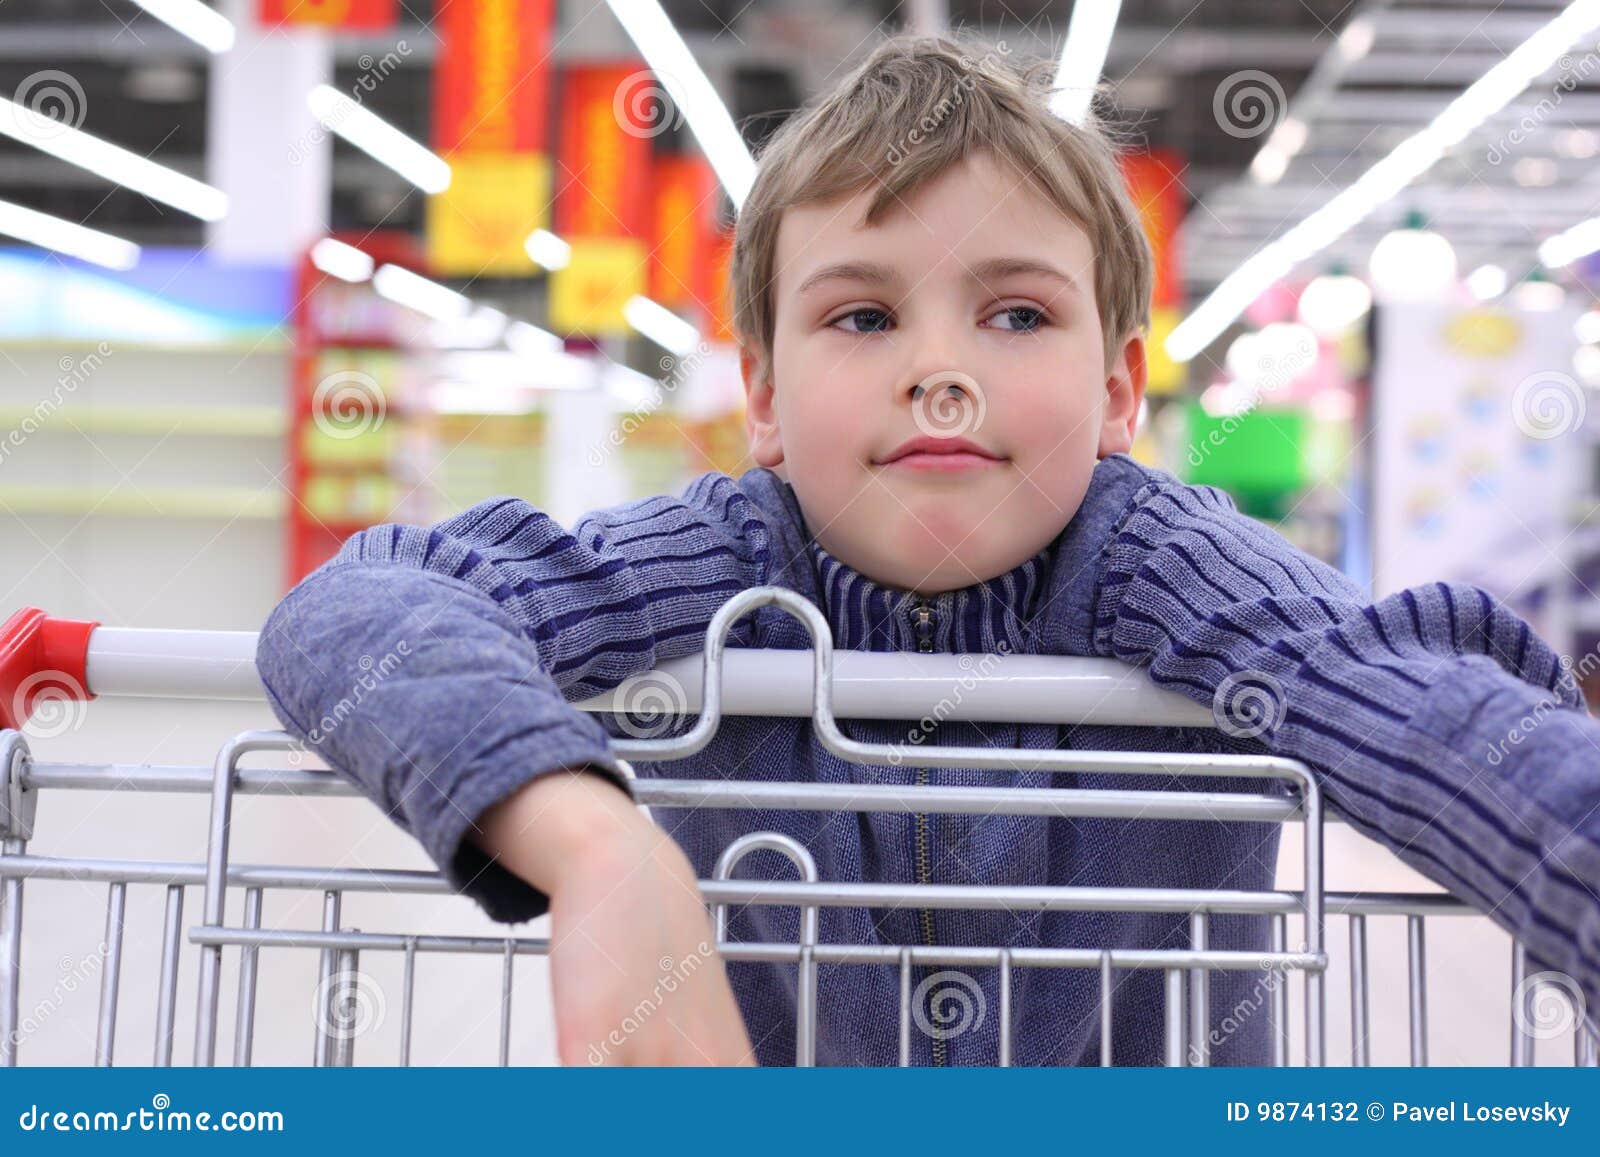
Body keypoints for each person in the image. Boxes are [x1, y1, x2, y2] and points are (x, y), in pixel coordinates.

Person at [257, 34, 1600, 1066]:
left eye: (1015, 314)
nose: (941, 371)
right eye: (863, 318)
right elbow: (366, 607)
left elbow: (1415, 701)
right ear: (766, 396)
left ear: (1122, 391)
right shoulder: (727, 552)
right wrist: (600, 846)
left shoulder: (1169, 565)